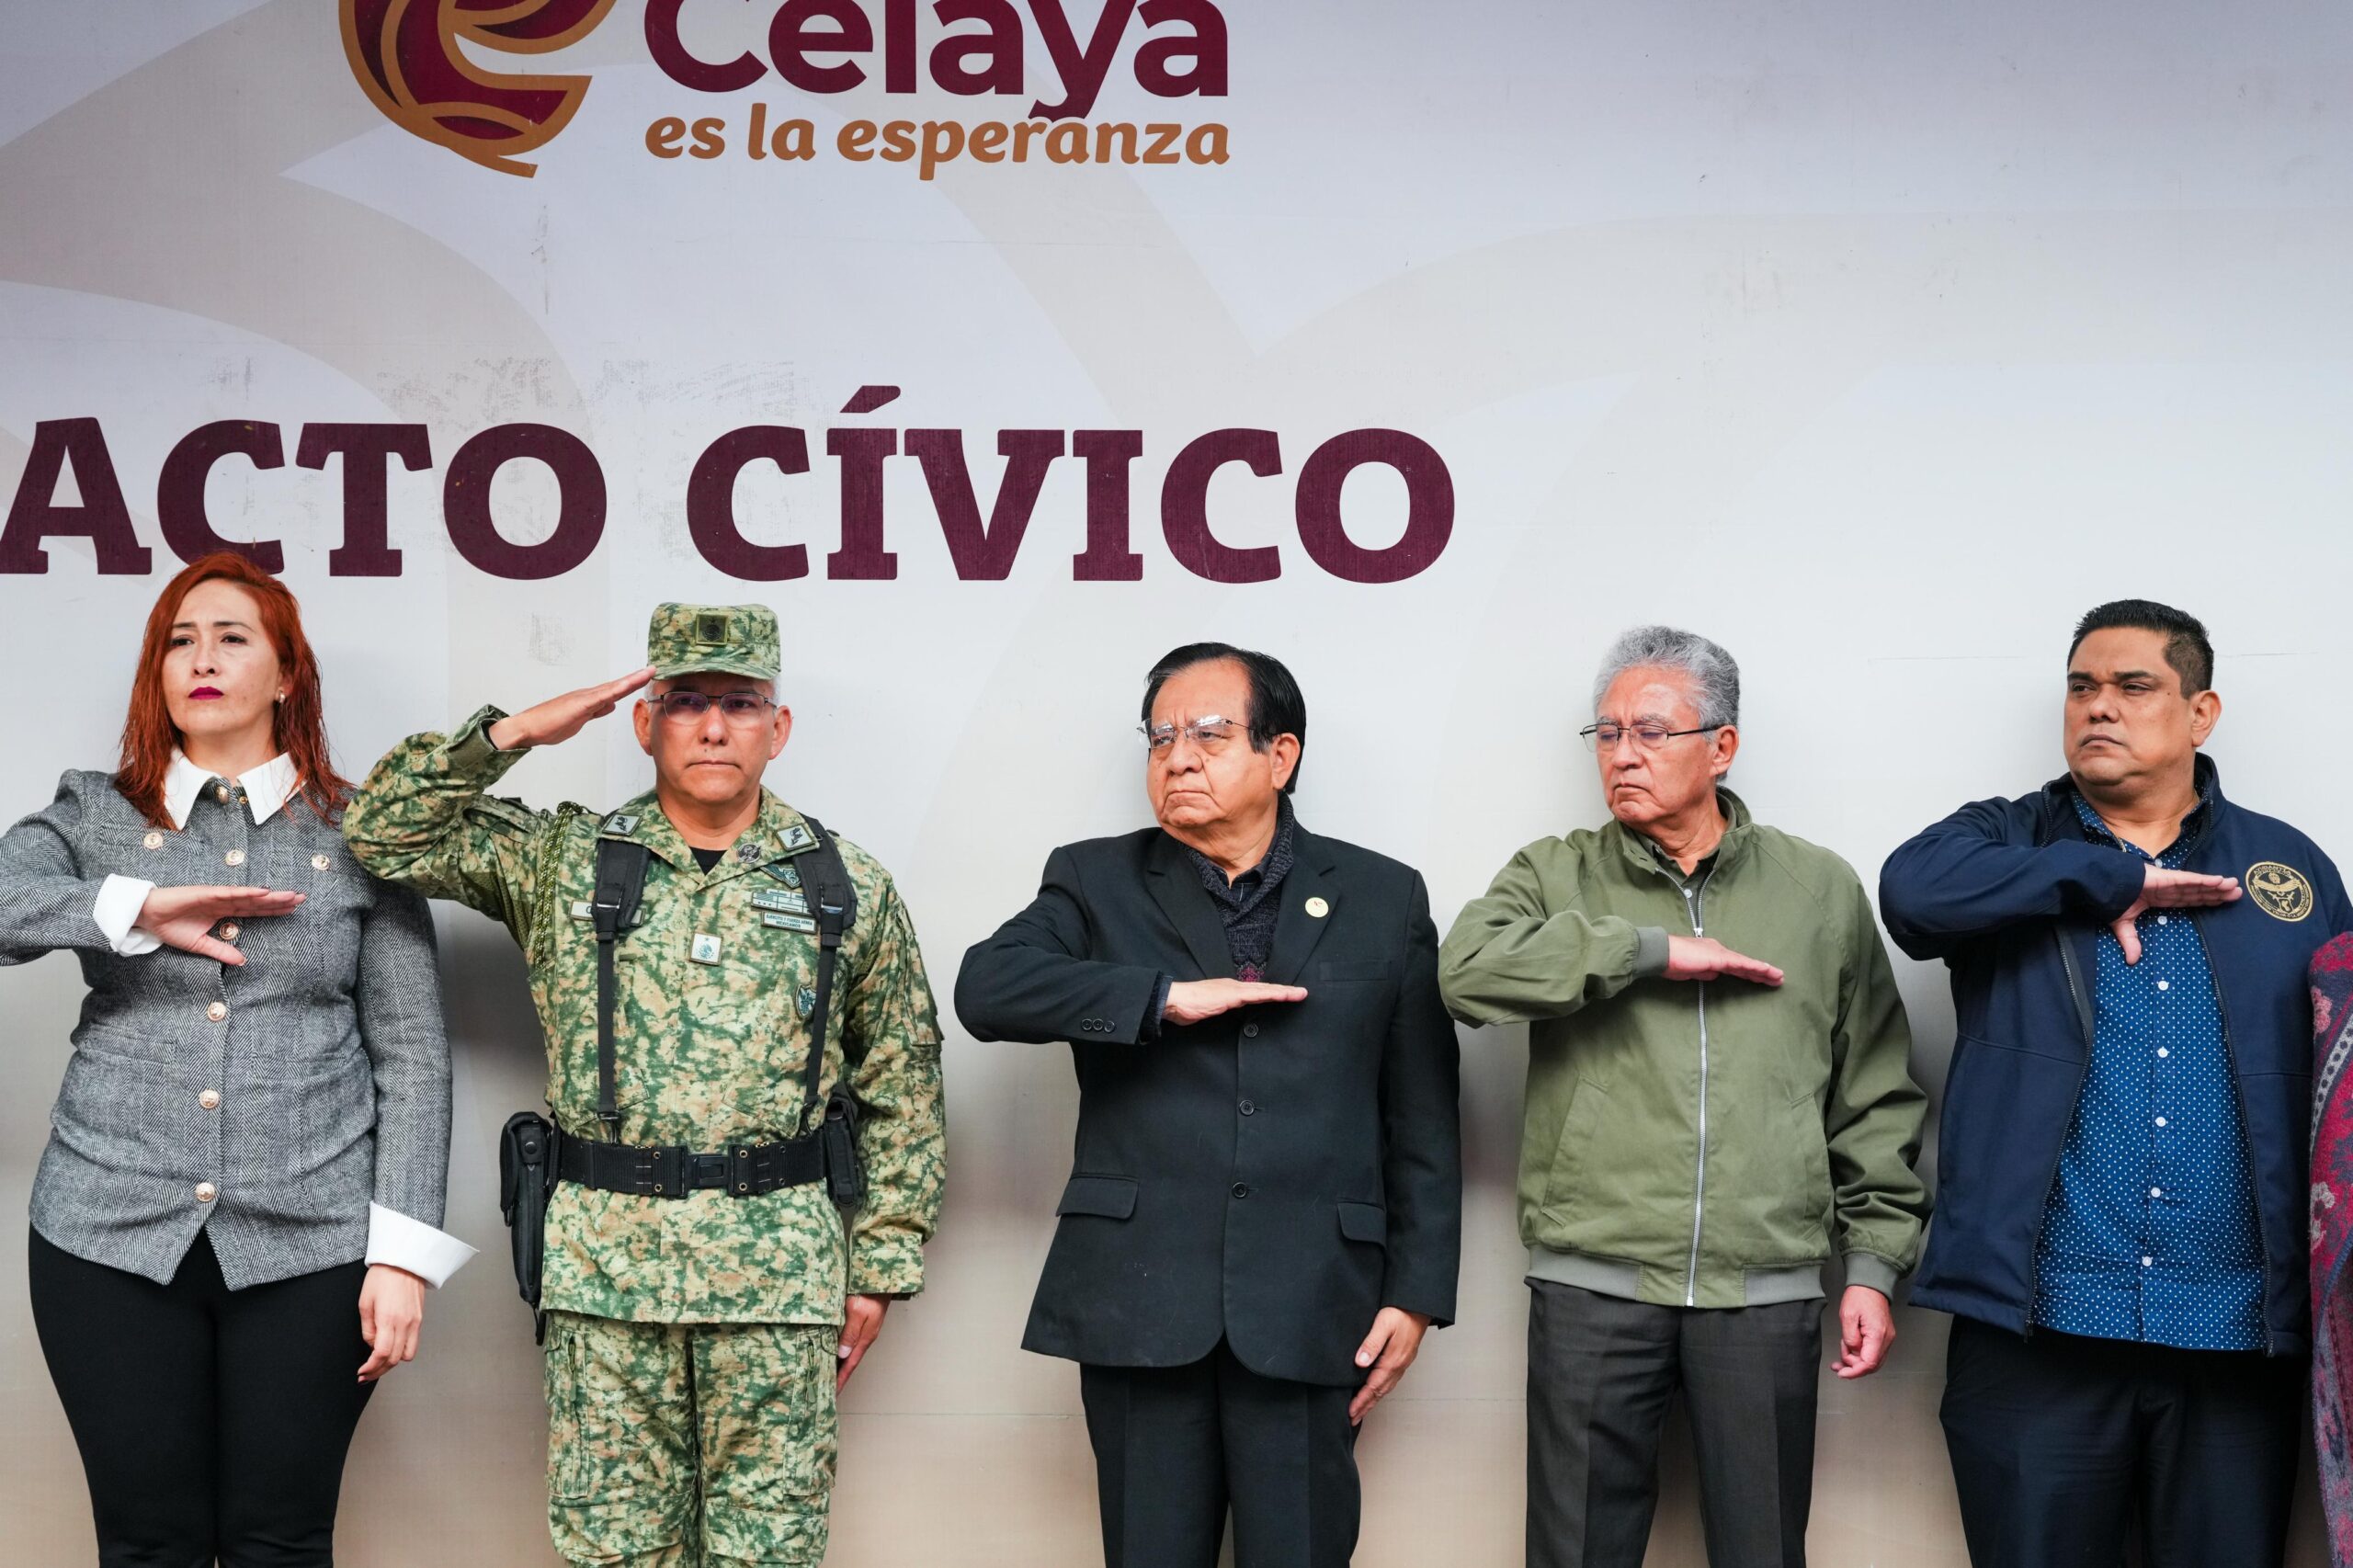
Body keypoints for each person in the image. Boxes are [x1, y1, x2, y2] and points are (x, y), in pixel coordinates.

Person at [342, 603, 946, 1568]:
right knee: (614, 1549)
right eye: (686, 701)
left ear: (778, 727)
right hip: (606, 1279)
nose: (713, 727)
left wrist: (879, 1262)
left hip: (778, 1278)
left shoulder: (844, 885)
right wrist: (515, 732)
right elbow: (381, 832)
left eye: (741, 703)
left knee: (771, 1552)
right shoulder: (564, 860)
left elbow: (902, 1077)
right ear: (644, 722)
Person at [0, 551, 469, 1566]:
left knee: (281, 1540)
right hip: (104, 1234)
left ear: (287, 673)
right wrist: (132, 905)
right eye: (179, 641)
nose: (201, 658)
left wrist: (403, 1255)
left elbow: (413, 1056)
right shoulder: (95, 812)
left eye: (230, 637)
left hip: (316, 1246)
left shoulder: (361, 832)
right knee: (147, 1542)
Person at [954, 642, 1461, 1568]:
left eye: (1209, 734)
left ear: (1281, 754)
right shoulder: (1094, 879)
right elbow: (987, 988)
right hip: (1139, 1297)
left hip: (1315, 1298)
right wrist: (1161, 998)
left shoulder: (1382, 894)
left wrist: (1416, 1294)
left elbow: (1420, 1114)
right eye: (1160, 738)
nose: (1177, 757)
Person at [1439, 624, 1927, 1568]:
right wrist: (1645, 951)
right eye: (1607, 732)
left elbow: (1872, 1092)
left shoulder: (1817, 889)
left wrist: (1872, 1266)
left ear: (1722, 745)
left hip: (1764, 1285)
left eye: (1651, 731)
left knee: (1762, 1549)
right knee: (1575, 1552)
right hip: (1593, 1278)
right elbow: (1466, 973)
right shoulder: (1556, 872)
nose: (1622, 754)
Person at [1880, 598, 2350, 1568]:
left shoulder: (2289, 868)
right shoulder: (2004, 842)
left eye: (2134, 685)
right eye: (2081, 686)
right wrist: (2105, 880)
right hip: (2036, 1326)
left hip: (2237, 1331)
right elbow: (1911, 895)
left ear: (2200, 712)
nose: (2099, 705)